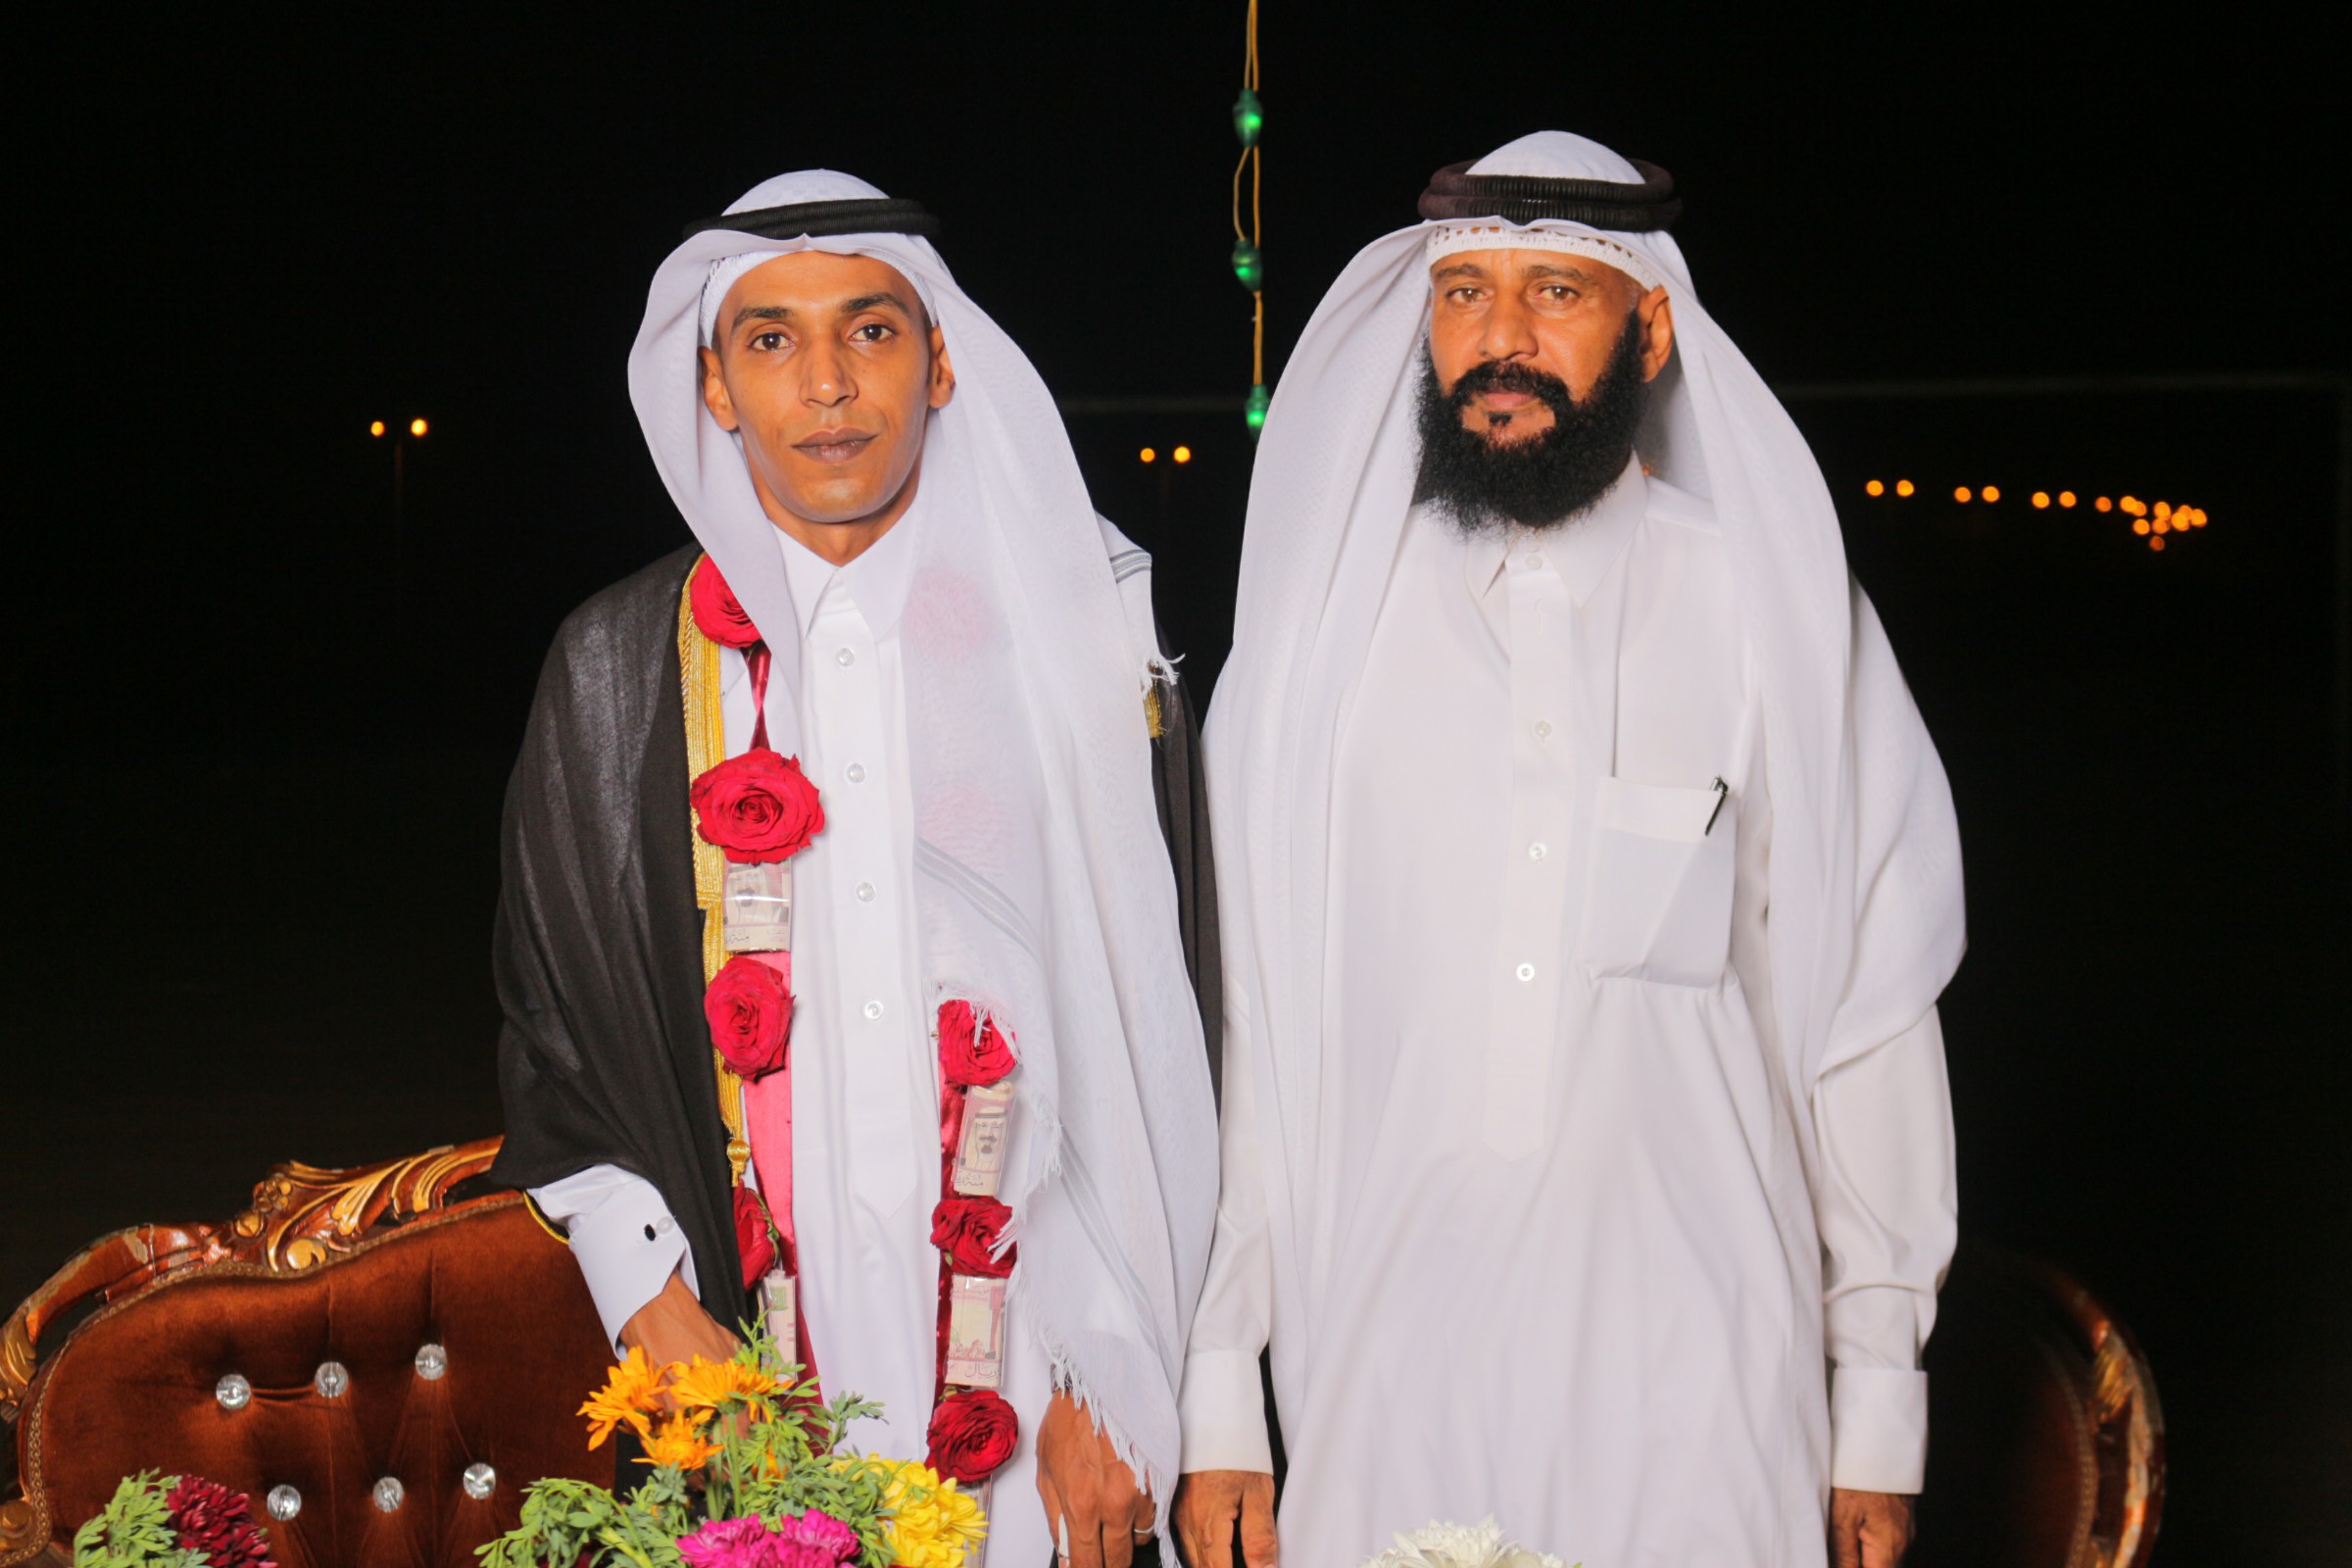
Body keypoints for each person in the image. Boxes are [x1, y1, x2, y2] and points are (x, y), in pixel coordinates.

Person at [1172, 132, 1963, 1568]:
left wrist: (1878, 1406)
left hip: (1707, 1377)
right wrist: (1223, 1389)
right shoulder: (1319, 648)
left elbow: (1871, 1009)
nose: (1503, 340)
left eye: (1555, 293)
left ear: (1649, 329)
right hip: (1388, 1364)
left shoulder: (1767, 611)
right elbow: (1245, 1027)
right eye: (1465, 294)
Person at [490, 171, 1220, 1568]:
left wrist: (1120, 1374)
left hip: (1045, 1379)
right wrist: (647, 1295)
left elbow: (1166, 1021)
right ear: (713, 385)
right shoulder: (619, 668)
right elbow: (555, 1028)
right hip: (748, 1368)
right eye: (771, 339)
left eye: (869, 330)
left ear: (939, 360)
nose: (826, 383)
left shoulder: (1082, 648)